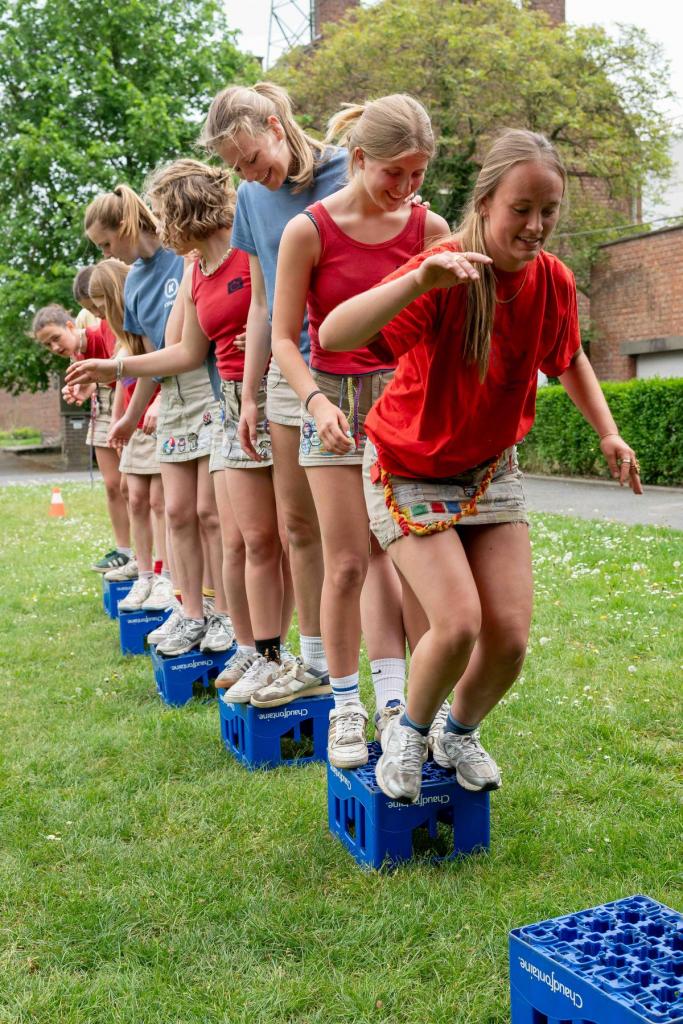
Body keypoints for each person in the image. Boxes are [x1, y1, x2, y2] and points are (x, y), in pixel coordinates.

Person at [319, 128, 643, 802]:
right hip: (408, 466)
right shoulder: (445, 270)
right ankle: (407, 735)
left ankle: (456, 732)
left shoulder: (552, 279)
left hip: (490, 470)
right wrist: (418, 279)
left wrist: (609, 433)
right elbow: (334, 335)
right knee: (458, 624)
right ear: (487, 201)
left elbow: (568, 357)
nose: (536, 225)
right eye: (521, 209)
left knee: (509, 639)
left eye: (548, 210)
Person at [269, 95, 449, 767]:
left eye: (417, 174)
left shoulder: (430, 228)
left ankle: (405, 706)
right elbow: (283, 338)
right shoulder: (308, 230)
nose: (405, 188)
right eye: (392, 173)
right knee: (346, 562)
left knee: (402, 561)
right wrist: (315, 404)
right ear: (360, 158)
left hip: (405, 410)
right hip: (334, 407)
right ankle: (346, 706)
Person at [68, 159, 293, 691]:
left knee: (273, 535)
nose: (157, 223)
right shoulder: (189, 270)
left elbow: (275, 310)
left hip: (260, 397)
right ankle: (245, 644)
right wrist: (118, 377)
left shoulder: (245, 246)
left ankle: (285, 652)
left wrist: (266, 338)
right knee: (231, 536)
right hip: (222, 403)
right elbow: (181, 350)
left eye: (162, 212)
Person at [197, 81, 348, 694]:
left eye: (253, 158)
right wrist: (250, 395)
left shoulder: (348, 171)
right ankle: (313, 663)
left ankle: (396, 687)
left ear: (275, 126)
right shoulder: (250, 200)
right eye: (237, 168)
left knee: (367, 538)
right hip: (289, 373)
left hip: (356, 368)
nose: (250, 175)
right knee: (298, 526)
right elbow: (261, 304)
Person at [84, 185, 230, 656]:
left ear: (125, 226)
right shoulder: (133, 284)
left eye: (106, 243)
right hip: (171, 400)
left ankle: (223, 614)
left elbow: (192, 346)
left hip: (206, 389)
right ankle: (191, 613)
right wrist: (130, 415)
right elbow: (150, 359)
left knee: (210, 514)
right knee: (178, 513)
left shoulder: (182, 255)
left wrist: (118, 371)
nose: (107, 254)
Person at [86, 259, 169, 615]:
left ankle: (165, 575)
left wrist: (157, 403)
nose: (98, 314)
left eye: (100, 305)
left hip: (156, 420)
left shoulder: (146, 321)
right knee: (135, 498)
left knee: (160, 503)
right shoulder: (122, 334)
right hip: (134, 425)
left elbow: (164, 366)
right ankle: (144, 574)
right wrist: (118, 417)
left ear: (116, 295)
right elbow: (124, 378)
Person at [31, 298, 132, 573]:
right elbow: (96, 381)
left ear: (69, 325)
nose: (55, 347)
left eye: (56, 338)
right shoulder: (76, 354)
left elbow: (125, 370)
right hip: (102, 409)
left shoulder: (103, 331)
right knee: (112, 485)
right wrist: (85, 388)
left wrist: (96, 386)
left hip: (125, 404)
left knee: (132, 488)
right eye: (48, 345)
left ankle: (149, 560)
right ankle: (124, 552)